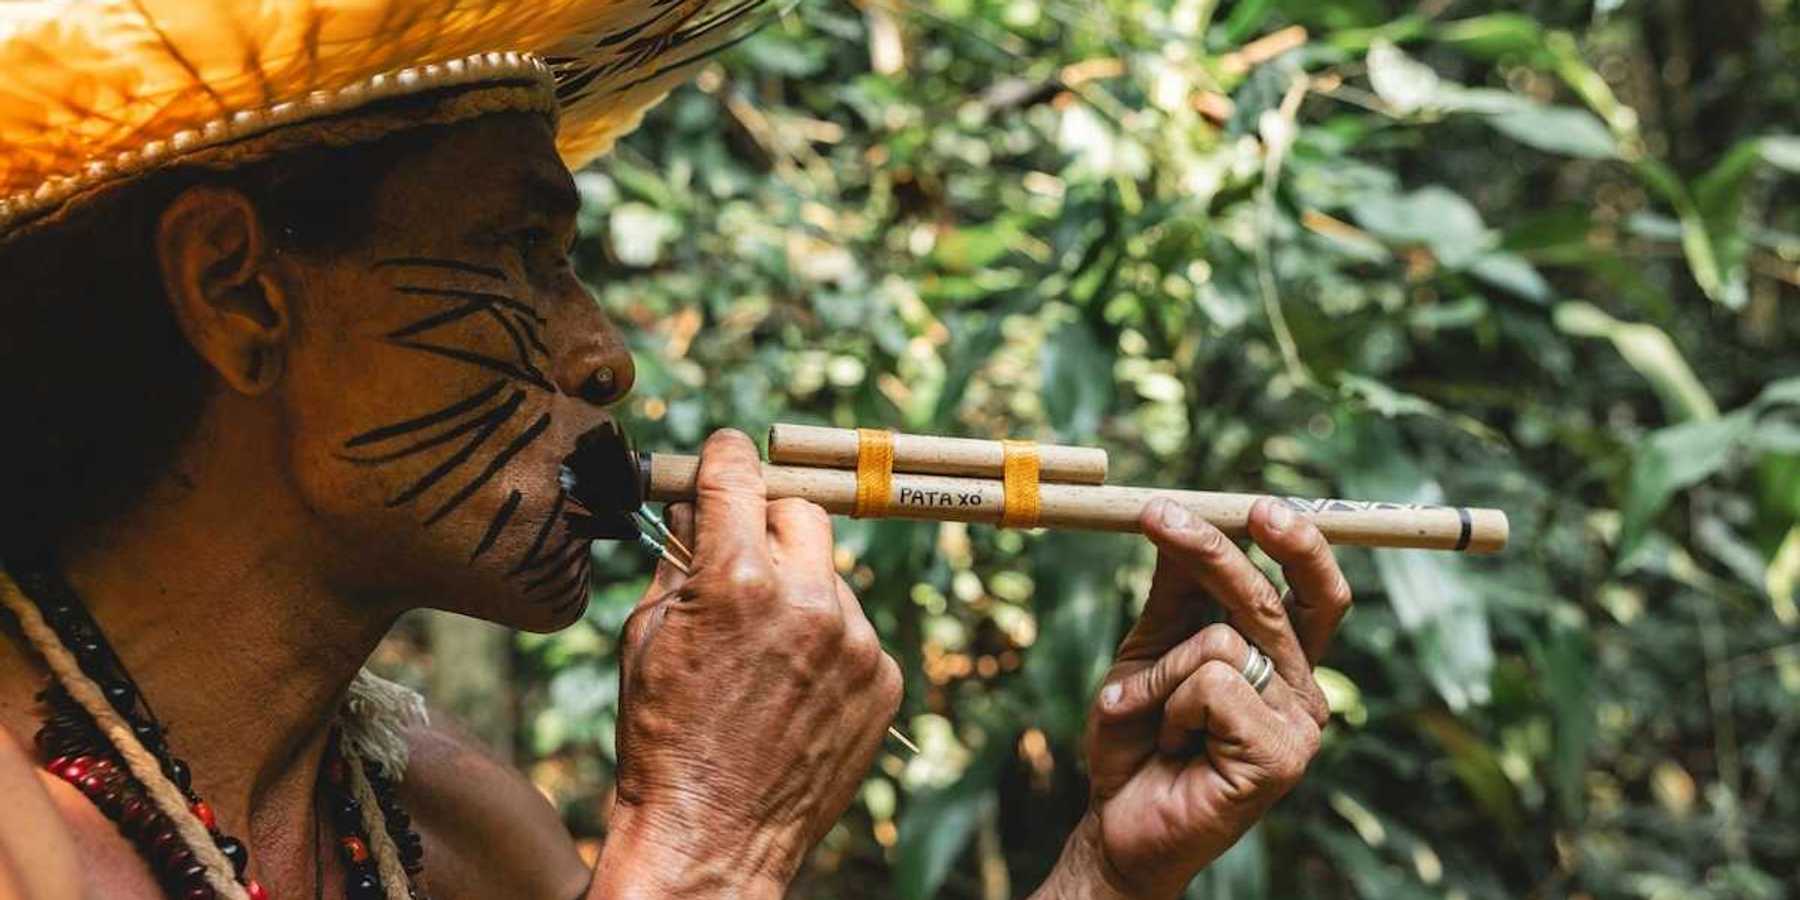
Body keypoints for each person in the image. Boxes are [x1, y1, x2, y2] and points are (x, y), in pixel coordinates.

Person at [0, 2, 1353, 897]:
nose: (602, 356)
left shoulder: (450, 831)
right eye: (521, 254)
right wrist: (702, 844)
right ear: (239, 289)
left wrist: (1104, 879)